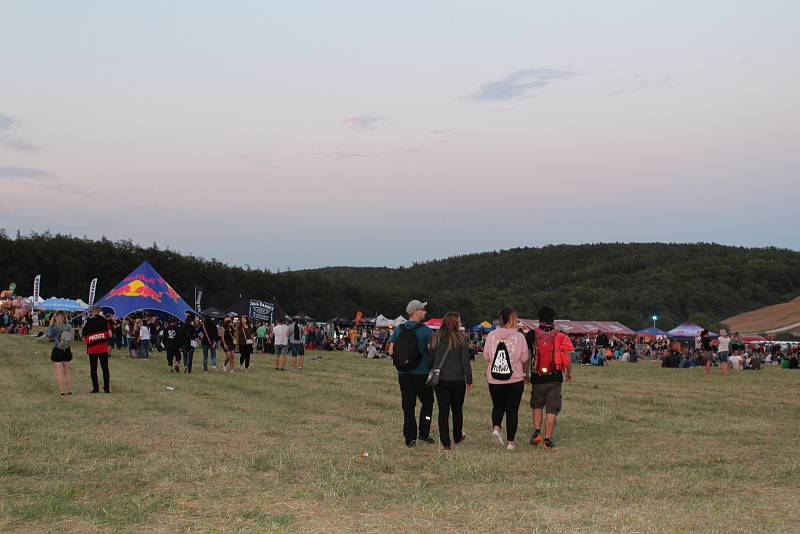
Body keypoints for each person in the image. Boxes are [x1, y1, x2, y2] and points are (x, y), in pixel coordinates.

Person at [525, 306, 574, 449]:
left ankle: (537, 433)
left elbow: (527, 355)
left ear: (539, 318)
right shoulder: (561, 334)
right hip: (555, 377)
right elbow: (567, 357)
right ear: (553, 319)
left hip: (537, 376)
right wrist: (568, 373)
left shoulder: (533, 334)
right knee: (552, 409)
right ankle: (547, 440)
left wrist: (525, 373)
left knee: (537, 405)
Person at [389, 299, 434, 448]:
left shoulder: (399, 329)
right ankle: (424, 432)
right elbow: (433, 350)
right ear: (415, 312)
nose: (425, 312)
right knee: (427, 402)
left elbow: (391, 350)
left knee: (408, 406)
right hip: (421, 373)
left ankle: (410, 438)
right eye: (423, 309)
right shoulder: (426, 331)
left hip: (403, 374)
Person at [483, 306, 529, 450]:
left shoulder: (491, 335)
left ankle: (496, 428)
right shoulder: (519, 336)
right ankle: (510, 442)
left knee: (497, 406)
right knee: (512, 410)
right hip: (514, 379)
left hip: (494, 379)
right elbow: (524, 357)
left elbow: (486, 357)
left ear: (500, 319)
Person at [429, 312, 473, 451]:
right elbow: (465, 361)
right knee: (457, 409)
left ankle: (446, 443)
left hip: (440, 379)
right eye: (459, 321)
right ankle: (457, 436)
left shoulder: (435, 337)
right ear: (454, 322)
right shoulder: (462, 339)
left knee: (443, 411)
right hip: (457, 379)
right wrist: (469, 379)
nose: (460, 323)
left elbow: (431, 360)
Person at [82, 307, 112, 393]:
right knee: (105, 368)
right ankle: (106, 388)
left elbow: (84, 338)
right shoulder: (105, 321)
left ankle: (96, 388)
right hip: (103, 348)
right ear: (99, 312)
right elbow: (110, 334)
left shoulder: (88, 322)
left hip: (92, 349)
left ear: (92, 312)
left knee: (93, 369)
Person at [47, 312, 73, 396]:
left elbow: (49, 335)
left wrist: (51, 324)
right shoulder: (69, 326)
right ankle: (69, 390)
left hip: (57, 349)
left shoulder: (56, 328)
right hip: (67, 349)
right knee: (67, 372)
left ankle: (62, 391)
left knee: (59, 372)